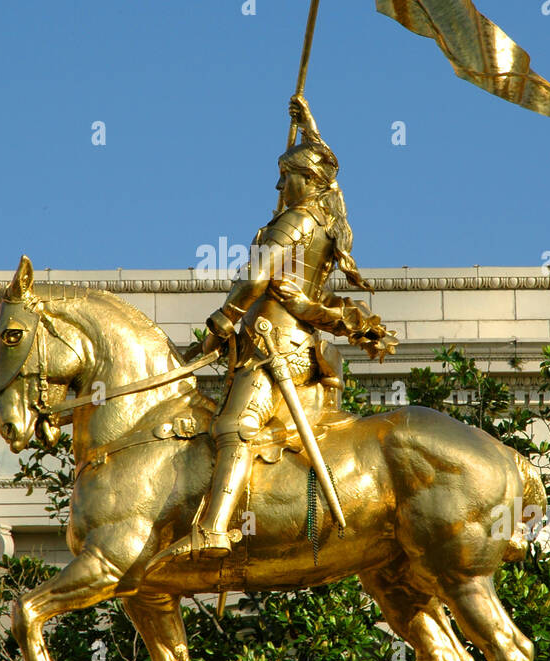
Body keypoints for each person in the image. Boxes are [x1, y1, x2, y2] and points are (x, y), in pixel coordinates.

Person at [144, 94, 398, 577]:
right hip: (297, 346)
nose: (280, 183)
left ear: (309, 181)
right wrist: (310, 126)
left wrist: (224, 316)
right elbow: (334, 175)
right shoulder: (323, 220)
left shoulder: (296, 221)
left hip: (273, 348)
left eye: (288, 176)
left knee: (232, 427)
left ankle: (215, 527)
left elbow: (257, 278)